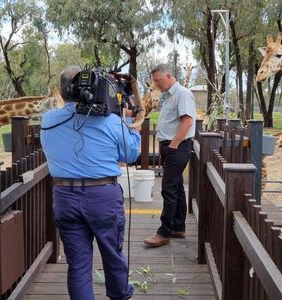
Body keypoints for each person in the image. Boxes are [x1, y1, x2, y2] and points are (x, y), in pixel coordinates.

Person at [40, 66, 140, 300]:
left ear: (64, 91)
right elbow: (131, 155)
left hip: (64, 197)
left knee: (78, 264)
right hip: (102, 197)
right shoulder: (112, 121)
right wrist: (128, 124)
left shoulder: (47, 120)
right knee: (113, 256)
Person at [143, 64, 196, 248]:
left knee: (168, 187)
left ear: (168, 76)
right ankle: (178, 227)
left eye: (157, 80)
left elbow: (187, 121)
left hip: (178, 146)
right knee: (177, 186)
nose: (156, 84)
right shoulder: (167, 97)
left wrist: (173, 145)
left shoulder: (182, 93)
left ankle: (164, 232)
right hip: (170, 146)